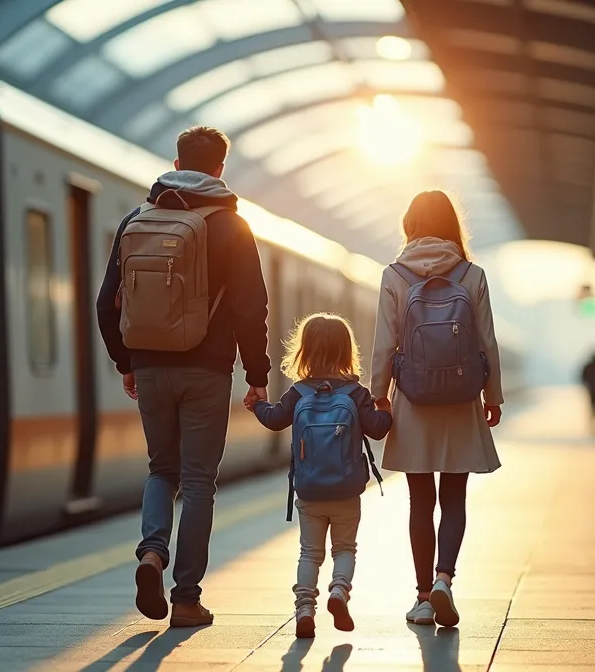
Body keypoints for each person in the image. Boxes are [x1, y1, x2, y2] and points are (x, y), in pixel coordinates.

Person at [96, 126, 271, 627]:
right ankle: (187, 599)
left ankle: (152, 552)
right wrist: (256, 374)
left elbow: (108, 304)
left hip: (149, 366)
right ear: (219, 169)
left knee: (161, 470)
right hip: (207, 369)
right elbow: (250, 306)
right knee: (198, 482)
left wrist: (126, 362)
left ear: (175, 162)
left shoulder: (137, 219)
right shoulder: (231, 226)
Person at [370, 190, 503, 628]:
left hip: (413, 399)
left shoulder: (395, 274)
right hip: (462, 399)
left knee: (420, 501)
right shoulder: (472, 274)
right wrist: (493, 396)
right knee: (455, 497)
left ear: (410, 224)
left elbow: (385, 343)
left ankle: (424, 596)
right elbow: (486, 341)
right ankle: (446, 577)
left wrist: (379, 394)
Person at [251, 313, 393, 637]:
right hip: (347, 491)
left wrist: (256, 405)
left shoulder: (298, 392)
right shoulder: (356, 393)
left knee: (309, 553)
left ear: (305, 351)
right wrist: (386, 408)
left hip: (309, 491)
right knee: (344, 549)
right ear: (347, 351)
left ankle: (304, 608)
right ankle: (339, 592)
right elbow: (379, 428)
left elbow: (274, 419)